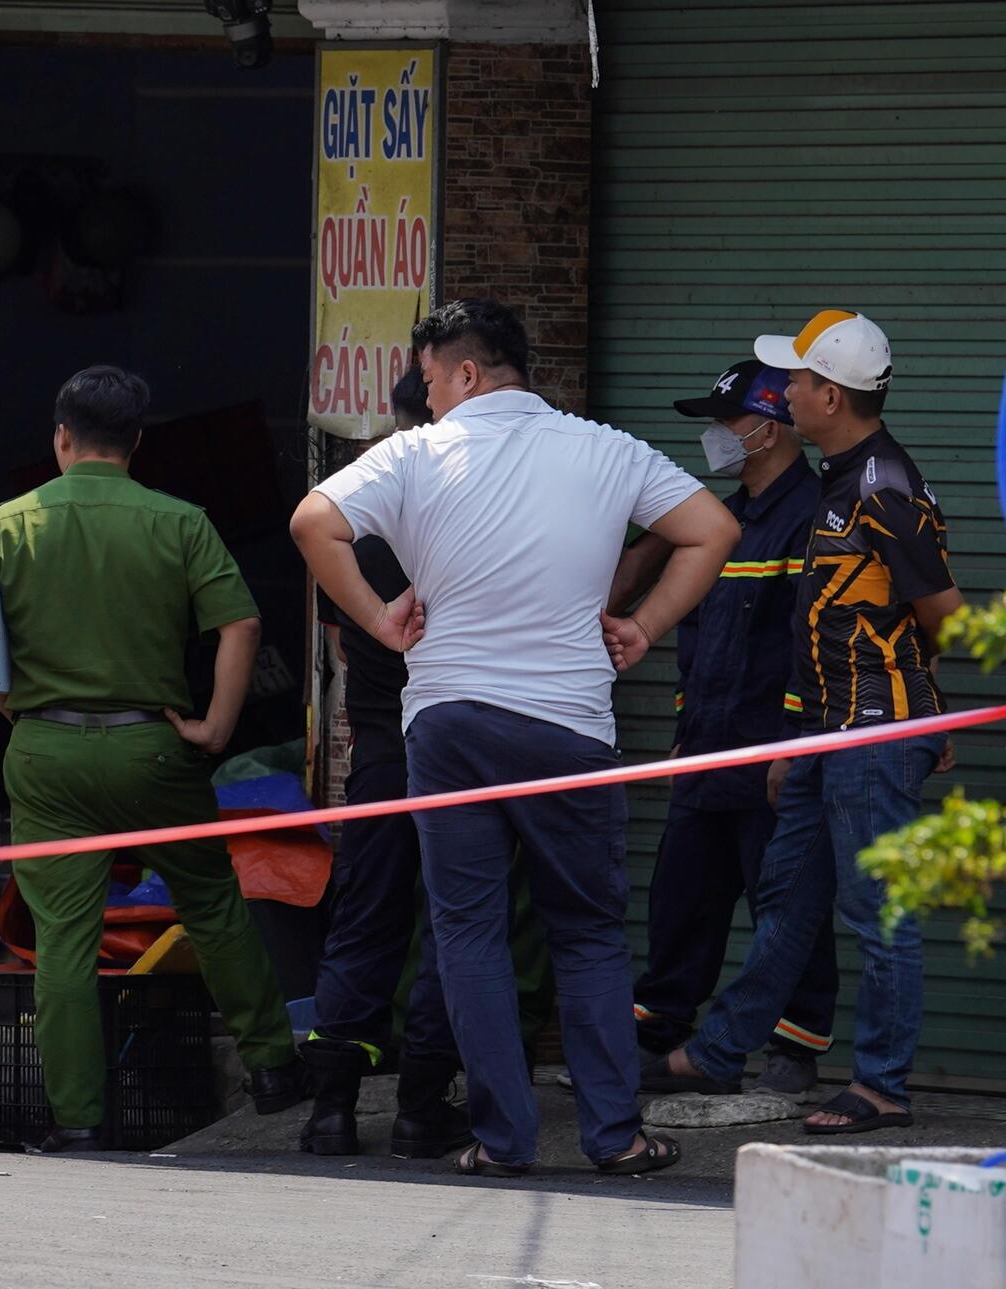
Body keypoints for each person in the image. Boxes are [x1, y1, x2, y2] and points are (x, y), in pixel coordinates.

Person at [292, 297, 738, 1177]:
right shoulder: (605, 448)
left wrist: (380, 620)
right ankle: (615, 1137)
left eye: (429, 381)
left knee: (468, 931)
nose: (426, 399)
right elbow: (713, 529)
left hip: (448, 722)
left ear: (465, 373)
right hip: (568, 724)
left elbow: (313, 521)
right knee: (588, 932)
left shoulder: (414, 454)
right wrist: (643, 626)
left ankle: (502, 1141)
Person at [0, 365, 305, 1153]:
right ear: (137, 442)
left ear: (61, 437)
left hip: (48, 754)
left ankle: (79, 1121)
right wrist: (215, 726)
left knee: (63, 937)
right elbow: (241, 625)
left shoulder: (6, 524)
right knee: (211, 905)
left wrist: (22, 713)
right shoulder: (179, 521)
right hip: (154, 748)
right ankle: (275, 1068)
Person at [647, 311, 960, 1134]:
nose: (783, 393)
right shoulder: (837, 479)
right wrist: (797, 741)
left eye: (795, 380)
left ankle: (881, 1084)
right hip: (826, 731)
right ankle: (720, 1051)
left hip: (873, 732)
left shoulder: (882, 487)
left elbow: (942, 612)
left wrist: (920, 710)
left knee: (878, 912)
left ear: (830, 396)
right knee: (786, 898)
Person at [611, 360, 838, 1096]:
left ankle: (794, 1047)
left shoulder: (814, 515)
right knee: (682, 896)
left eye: (726, 421)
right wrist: (687, 723)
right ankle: (658, 1032)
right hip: (709, 747)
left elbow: (814, 643)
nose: (714, 435)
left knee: (787, 906)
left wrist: (795, 744)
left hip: (774, 753)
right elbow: (698, 634)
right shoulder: (717, 522)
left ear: (768, 429)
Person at [299, 367, 468, 1159]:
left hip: (378, 753)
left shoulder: (354, 521)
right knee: (454, 921)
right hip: (456, 750)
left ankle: (330, 1110)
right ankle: (422, 1107)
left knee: (364, 917)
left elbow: (342, 638)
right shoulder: (471, 516)